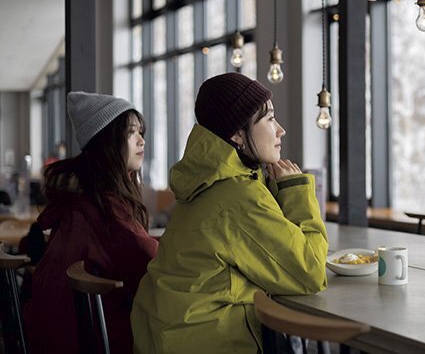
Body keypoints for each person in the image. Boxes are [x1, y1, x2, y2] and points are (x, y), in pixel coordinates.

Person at [131, 73, 328, 353]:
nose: (280, 130)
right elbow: (310, 273)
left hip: (171, 335)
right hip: (207, 340)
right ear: (236, 133)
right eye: (270, 119)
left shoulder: (208, 180)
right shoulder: (237, 196)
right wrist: (295, 189)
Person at [23, 92, 159, 354]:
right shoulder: (106, 207)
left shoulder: (84, 199)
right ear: (107, 141)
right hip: (92, 340)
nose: (142, 140)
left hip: (56, 336)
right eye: (131, 133)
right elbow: (151, 263)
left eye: (141, 132)